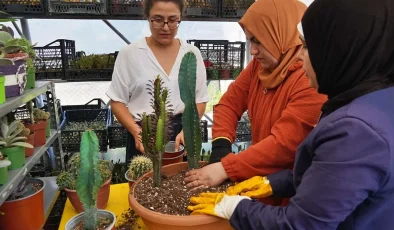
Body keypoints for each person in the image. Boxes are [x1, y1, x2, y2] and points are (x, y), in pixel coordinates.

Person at [187, 0, 394, 229]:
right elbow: (324, 173)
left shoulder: (356, 130)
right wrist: (269, 180)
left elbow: (300, 223)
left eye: (306, 46)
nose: (300, 54)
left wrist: (234, 204)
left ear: (336, 48)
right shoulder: (372, 97)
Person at [184, 0, 326, 206]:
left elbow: (283, 145)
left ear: (280, 35)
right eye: (250, 41)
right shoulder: (258, 69)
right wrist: (221, 147)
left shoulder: (309, 79)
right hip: (259, 181)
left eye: (258, 41)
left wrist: (226, 168)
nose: (252, 51)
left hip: (292, 195)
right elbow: (229, 104)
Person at [106, 0, 209, 164]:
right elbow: (117, 101)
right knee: (143, 185)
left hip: (180, 132)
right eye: (158, 19)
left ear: (180, 18)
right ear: (147, 17)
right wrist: (138, 133)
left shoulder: (191, 54)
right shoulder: (130, 54)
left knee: (182, 184)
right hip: (143, 130)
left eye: (173, 20)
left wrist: (188, 130)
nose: (166, 27)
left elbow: (200, 99)